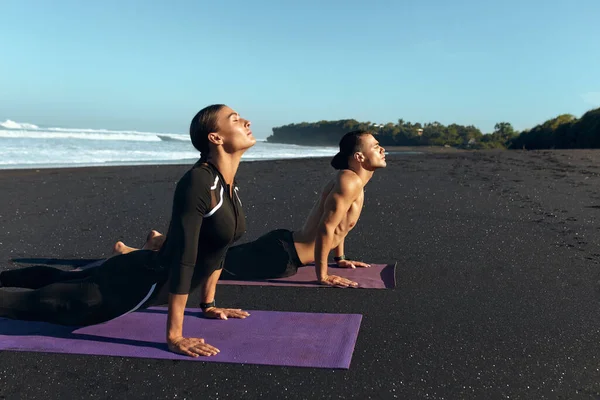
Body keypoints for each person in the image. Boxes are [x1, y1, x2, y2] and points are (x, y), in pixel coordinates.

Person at [0, 104, 256, 358]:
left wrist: (208, 305)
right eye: (235, 119)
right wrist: (175, 336)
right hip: (129, 287)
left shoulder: (227, 187)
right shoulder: (198, 183)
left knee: (63, 280)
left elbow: (218, 249)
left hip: (140, 268)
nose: (246, 122)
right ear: (216, 137)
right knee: (23, 306)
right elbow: (183, 259)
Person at [113, 130, 386, 288]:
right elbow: (327, 227)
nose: (382, 149)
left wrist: (340, 259)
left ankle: (159, 241)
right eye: (376, 146)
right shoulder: (349, 181)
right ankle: (133, 254)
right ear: (359, 157)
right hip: (280, 256)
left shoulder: (354, 181)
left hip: (284, 249)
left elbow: (340, 227)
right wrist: (323, 276)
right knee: (204, 268)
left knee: (215, 260)